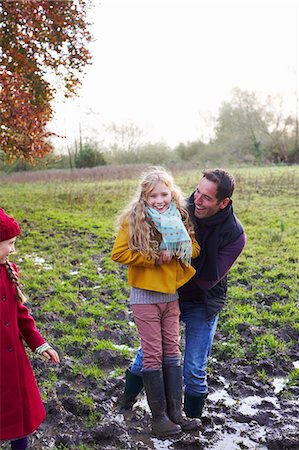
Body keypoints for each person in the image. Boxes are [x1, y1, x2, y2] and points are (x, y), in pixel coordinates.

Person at [120, 168, 246, 420]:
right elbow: (141, 234)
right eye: (197, 191)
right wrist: (155, 259)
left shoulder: (234, 234)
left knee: (195, 369)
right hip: (166, 294)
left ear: (223, 203)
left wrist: (177, 254)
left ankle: (191, 422)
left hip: (203, 301)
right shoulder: (178, 208)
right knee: (148, 354)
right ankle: (126, 403)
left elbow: (208, 278)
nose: (197, 200)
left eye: (207, 198)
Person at [111, 166, 201, 437]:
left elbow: (194, 249)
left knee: (172, 351)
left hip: (170, 295)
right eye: (153, 196)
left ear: (171, 194)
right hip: (144, 297)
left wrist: (177, 247)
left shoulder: (179, 217)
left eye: (164, 194)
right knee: (152, 354)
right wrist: (151, 256)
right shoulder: (134, 219)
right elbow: (119, 253)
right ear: (145, 198)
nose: (160, 200)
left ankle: (176, 413)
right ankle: (159, 418)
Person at [0, 208, 60, 450]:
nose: (13, 249)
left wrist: (39, 343)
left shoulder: (8, 270)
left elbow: (21, 315)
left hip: (14, 363)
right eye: (10, 243)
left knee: (19, 420)